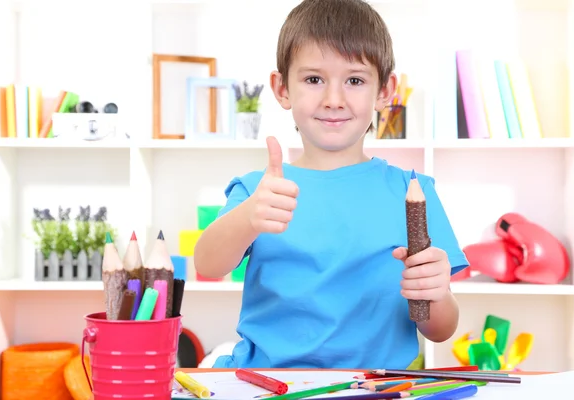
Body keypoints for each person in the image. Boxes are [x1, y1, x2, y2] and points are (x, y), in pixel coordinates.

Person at [194, 0, 469, 369]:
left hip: (375, 388)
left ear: (385, 91)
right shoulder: (260, 191)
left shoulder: (412, 192)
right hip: (267, 385)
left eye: (354, 80)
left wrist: (435, 294)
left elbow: (440, 330)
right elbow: (208, 264)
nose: (333, 100)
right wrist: (248, 219)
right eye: (313, 79)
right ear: (282, 88)